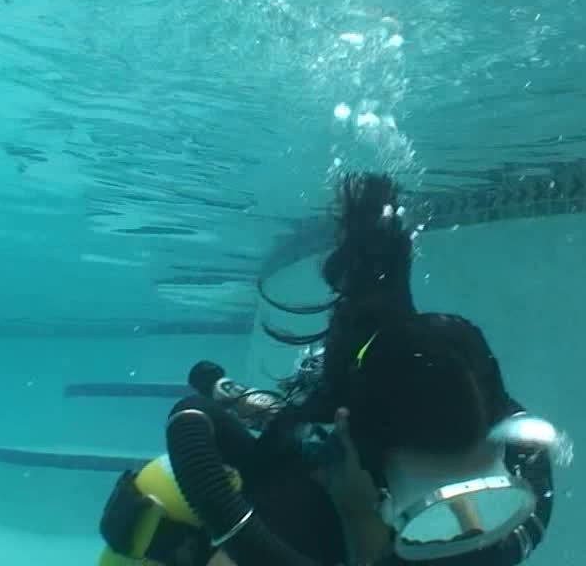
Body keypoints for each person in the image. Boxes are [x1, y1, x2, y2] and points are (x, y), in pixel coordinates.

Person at [97, 172, 553, 566]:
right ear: (357, 459)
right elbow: (192, 424)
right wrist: (355, 516)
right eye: (431, 498)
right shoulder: (293, 524)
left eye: (474, 485)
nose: (465, 527)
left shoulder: (485, 508)